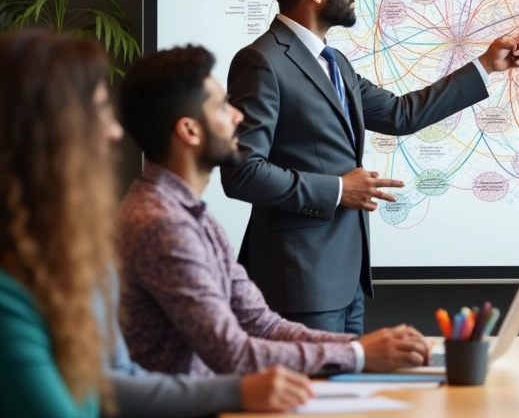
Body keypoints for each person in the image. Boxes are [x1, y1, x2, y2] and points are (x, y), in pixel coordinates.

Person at [220, 0, 519, 334]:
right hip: (299, 284)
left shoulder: (334, 63)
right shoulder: (262, 62)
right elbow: (242, 172)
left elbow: (400, 114)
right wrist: (337, 189)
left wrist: (486, 65)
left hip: (346, 282)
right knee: (316, 397)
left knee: (347, 395)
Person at [0, 30, 310, 418]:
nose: (115, 133)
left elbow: (114, 382)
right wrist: (239, 391)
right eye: (97, 112)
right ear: (44, 137)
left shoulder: (81, 259)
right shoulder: (10, 294)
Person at [118, 45, 432, 376]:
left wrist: (358, 348)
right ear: (190, 131)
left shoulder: (191, 215)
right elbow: (232, 352)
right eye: (224, 107)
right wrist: (357, 354)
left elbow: (262, 324)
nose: (238, 115)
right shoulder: (162, 224)